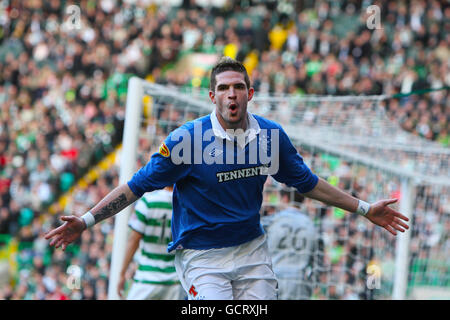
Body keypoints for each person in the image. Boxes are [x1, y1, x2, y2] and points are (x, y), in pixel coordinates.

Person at [45, 57, 409, 300]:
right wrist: (88, 219)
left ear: (249, 94)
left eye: (237, 87)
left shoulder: (270, 138)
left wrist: (363, 208)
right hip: (201, 259)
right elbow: (136, 186)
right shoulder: (186, 141)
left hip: (252, 252)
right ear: (211, 96)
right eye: (223, 88)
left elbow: (309, 183)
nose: (230, 94)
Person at [117, 186, 184, 300]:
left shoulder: (147, 201)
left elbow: (133, 240)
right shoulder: (184, 204)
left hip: (147, 278)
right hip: (174, 280)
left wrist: (122, 274)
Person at [261, 189, 319, 299]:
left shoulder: (271, 221)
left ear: (285, 198)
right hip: (299, 282)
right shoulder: (311, 225)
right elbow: (317, 260)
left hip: (273, 279)